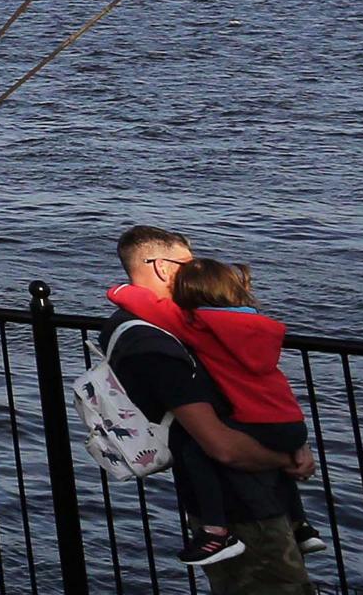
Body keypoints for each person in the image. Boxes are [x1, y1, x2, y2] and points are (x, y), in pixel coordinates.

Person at [106, 227, 319, 590]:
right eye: (187, 263)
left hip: (247, 493)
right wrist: (288, 458)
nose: (196, 270)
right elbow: (220, 445)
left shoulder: (180, 327)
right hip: (241, 507)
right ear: (163, 268)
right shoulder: (151, 340)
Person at [169, 258, 319, 565]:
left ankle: (215, 530)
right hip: (291, 421)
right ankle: (301, 525)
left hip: (258, 421)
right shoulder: (259, 326)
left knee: (200, 451)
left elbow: (149, 309)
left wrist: (124, 290)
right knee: (276, 457)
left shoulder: (201, 327)